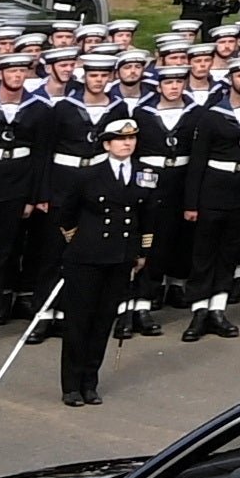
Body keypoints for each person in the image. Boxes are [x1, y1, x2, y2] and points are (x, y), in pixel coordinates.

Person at [46, 113, 158, 406]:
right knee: (78, 322)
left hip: (120, 257)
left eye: (131, 138)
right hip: (86, 257)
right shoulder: (87, 175)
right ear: (107, 144)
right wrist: (80, 242)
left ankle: (90, 383)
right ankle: (71, 385)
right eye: (120, 139)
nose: (127, 144)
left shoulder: (145, 173)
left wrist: (142, 252)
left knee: (103, 322)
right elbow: (66, 215)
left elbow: (147, 217)